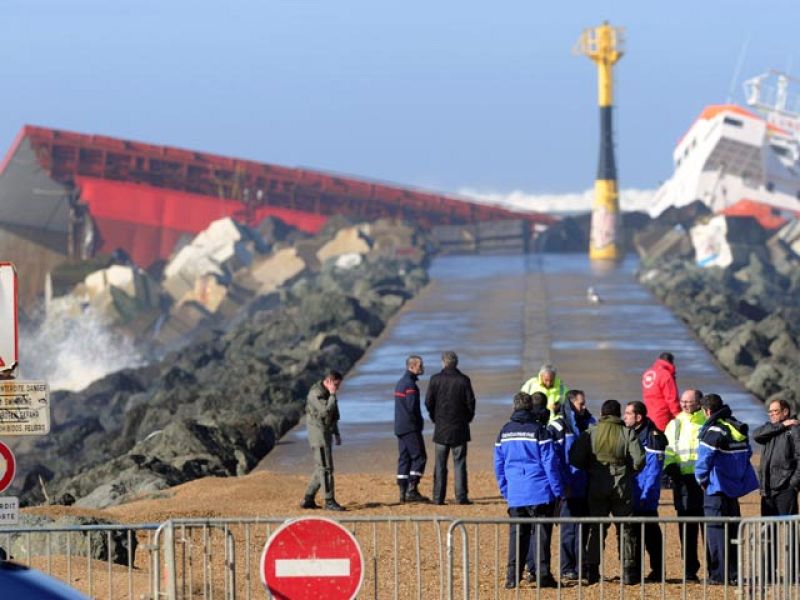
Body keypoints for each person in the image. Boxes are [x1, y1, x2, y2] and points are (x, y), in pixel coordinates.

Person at [569, 399, 645, 585]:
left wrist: (591, 468)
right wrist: (628, 472)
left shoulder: (591, 433)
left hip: (596, 484)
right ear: (618, 414)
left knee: (597, 528)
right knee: (625, 528)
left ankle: (593, 571)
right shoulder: (627, 433)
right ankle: (628, 572)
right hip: (622, 485)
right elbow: (640, 459)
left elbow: (575, 459)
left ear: (602, 414)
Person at [494, 392, 562, 589]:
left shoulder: (504, 432)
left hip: (516, 492)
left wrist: (506, 490)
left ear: (514, 407)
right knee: (541, 535)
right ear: (530, 408)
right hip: (539, 491)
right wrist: (557, 491)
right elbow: (550, 464)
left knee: (517, 535)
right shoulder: (539, 431)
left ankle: (512, 577)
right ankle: (542, 575)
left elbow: (499, 464)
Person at [695, 393, 759, 585]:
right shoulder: (736, 426)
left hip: (716, 488)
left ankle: (718, 576)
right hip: (733, 488)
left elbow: (704, 460)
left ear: (707, 411)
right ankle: (732, 574)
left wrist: (701, 480)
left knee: (716, 533)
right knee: (732, 533)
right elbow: (747, 453)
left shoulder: (714, 429)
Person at [548, 389, 595, 582]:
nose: (583, 407)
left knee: (583, 529)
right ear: (571, 403)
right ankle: (567, 568)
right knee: (568, 529)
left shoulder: (590, 423)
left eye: (584, 403)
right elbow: (555, 459)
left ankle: (581, 567)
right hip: (569, 485)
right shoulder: (558, 426)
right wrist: (561, 485)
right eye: (580, 404)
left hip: (586, 484)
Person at [663, 389, 706, 581]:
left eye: (690, 402)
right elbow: (668, 449)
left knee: (709, 527)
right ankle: (690, 570)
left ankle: (715, 570)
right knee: (687, 529)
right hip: (683, 482)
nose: (686, 405)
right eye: (683, 402)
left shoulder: (706, 421)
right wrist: (670, 466)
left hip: (704, 480)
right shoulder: (675, 423)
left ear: (699, 402)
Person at [624, 401, 668, 582]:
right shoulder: (632, 433)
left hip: (644, 494)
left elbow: (654, 470)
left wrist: (646, 494)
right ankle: (635, 572)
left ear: (638, 417)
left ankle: (657, 571)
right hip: (633, 491)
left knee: (650, 535)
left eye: (628, 413)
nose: (624, 417)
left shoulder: (652, 436)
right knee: (634, 534)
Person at [425, 351, 476, 505]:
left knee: (440, 464)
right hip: (459, 428)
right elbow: (471, 403)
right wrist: (466, 419)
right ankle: (461, 497)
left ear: (443, 363)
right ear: (456, 363)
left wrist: (435, 418)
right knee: (459, 463)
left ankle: (438, 497)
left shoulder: (436, 379)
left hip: (441, 427)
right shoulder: (463, 380)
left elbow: (428, 402)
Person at [300, 370, 345, 511]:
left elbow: (333, 415)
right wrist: (332, 394)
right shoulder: (316, 394)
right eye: (336, 385)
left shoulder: (328, 392)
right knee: (326, 468)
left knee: (321, 467)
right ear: (329, 381)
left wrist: (336, 433)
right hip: (318, 435)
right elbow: (326, 411)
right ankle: (329, 500)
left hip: (325, 433)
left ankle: (308, 499)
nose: (337, 388)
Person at [753, 399, 800, 516]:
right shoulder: (769, 428)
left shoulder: (795, 429)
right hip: (767, 489)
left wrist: (793, 484)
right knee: (768, 530)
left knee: (790, 530)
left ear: (785, 412)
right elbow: (756, 435)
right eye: (770, 412)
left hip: (786, 489)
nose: (772, 414)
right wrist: (782, 425)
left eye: (775, 411)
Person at [394, 355, 429, 503]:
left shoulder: (400, 382)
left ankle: (402, 491)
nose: (423, 368)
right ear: (412, 366)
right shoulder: (410, 385)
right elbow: (411, 407)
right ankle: (412, 489)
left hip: (400, 426)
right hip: (410, 427)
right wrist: (418, 423)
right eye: (420, 366)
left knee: (404, 457)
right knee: (419, 456)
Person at [640, 352, 680, 431]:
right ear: (670, 362)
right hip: (663, 416)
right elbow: (672, 398)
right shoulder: (666, 375)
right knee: (663, 440)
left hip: (649, 414)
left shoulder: (648, 373)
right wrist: (679, 416)